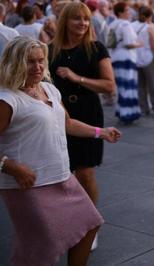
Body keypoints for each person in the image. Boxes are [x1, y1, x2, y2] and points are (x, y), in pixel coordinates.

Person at [0, 36, 121, 266]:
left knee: (90, 225)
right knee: (40, 249)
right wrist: (12, 168)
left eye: (40, 61)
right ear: (14, 63)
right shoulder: (7, 99)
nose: (37, 67)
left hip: (61, 176)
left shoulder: (48, 89)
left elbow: (67, 123)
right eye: (29, 62)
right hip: (28, 184)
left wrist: (101, 132)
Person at [49, 1, 116, 250]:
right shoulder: (49, 50)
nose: (82, 23)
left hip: (88, 113)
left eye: (86, 19)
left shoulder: (95, 48)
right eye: (77, 18)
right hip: (57, 115)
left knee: (86, 173)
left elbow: (109, 85)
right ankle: (66, 223)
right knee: (61, 173)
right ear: (65, 20)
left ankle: (89, 225)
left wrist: (76, 78)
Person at [107, 1, 143, 124]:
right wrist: (139, 44)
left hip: (116, 57)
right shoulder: (126, 25)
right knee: (128, 85)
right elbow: (128, 43)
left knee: (121, 86)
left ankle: (122, 111)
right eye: (127, 10)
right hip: (127, 57)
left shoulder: (112, 24)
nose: (129, 12)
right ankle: (128, 112)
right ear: (120, 12)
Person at [133, 6, 154, 117]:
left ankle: (143, 108)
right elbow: (153, 45)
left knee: (140, 85)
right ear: (150, 16)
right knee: (153, 84)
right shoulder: (151, 27)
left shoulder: (132, 25)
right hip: (148, 58)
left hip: (136, 58)